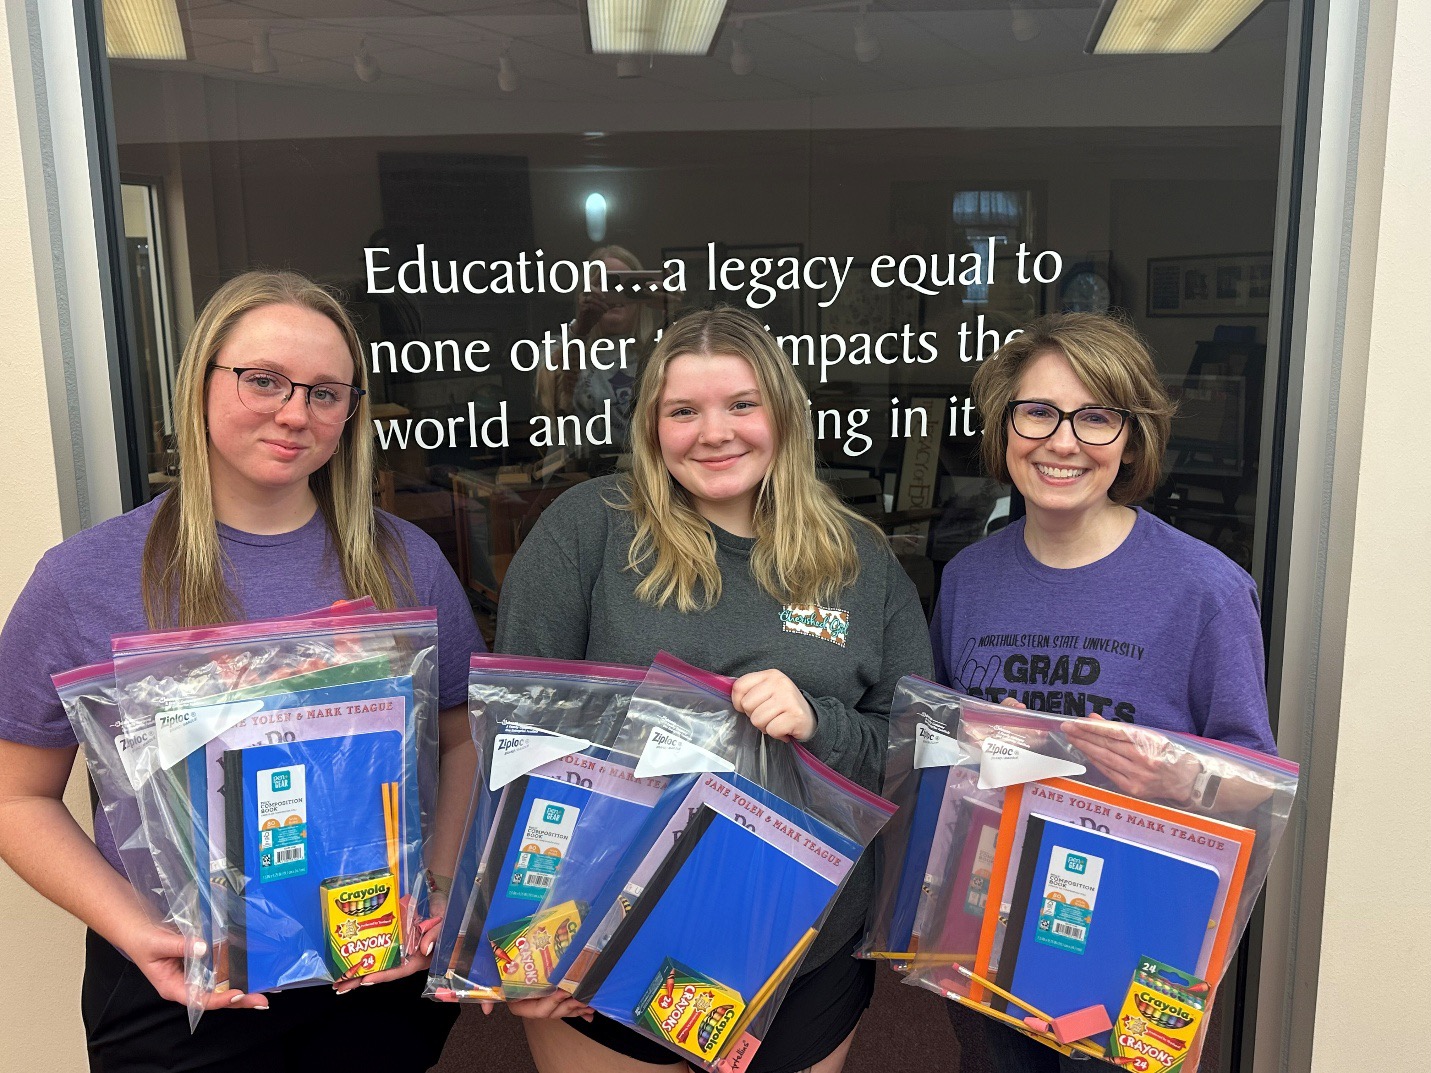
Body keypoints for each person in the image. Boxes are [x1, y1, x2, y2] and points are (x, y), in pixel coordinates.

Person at [0, 270, 485, 1072]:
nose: (295, 412)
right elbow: (16, 794)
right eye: (263, 380)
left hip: (370, 971)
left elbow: (461, 740)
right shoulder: (84, 577)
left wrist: (436, 881)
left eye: (326, 393)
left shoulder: (407, 561)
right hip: (177, 985)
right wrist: (133, 928)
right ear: (202, 380)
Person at [496, 305, 933, 1073]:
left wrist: (817, 722)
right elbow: (518, 735)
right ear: (651, 425)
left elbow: (910, 751)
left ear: (783, 414)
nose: (714, 432)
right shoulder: (587, 528)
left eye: (741, 404)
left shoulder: (859, 558)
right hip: (603, 929)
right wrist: (517, 927)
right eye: (683, 411)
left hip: (802, 940)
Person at [928, 312, 1276, 1072]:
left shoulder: (1205, 588)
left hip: (1139, 932)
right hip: (997, 922)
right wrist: (967, 742)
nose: (1062, 441)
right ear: (1004, 425)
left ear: (1130, 437)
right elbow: (941, 753)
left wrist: (1181, 775)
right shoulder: (967, 580)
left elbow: (1259, 781)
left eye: (1095, 417)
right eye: (1038, 411)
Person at [533, 244, 663, 467]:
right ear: (585, 292)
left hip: (642, 476)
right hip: (574, 477)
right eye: (604, 284)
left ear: (641, 293)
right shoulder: (560, 347)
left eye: (626, 285)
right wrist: (581, 328)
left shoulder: (657, 351)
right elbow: (548, 402)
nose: (615, 293)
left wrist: (669, 315)